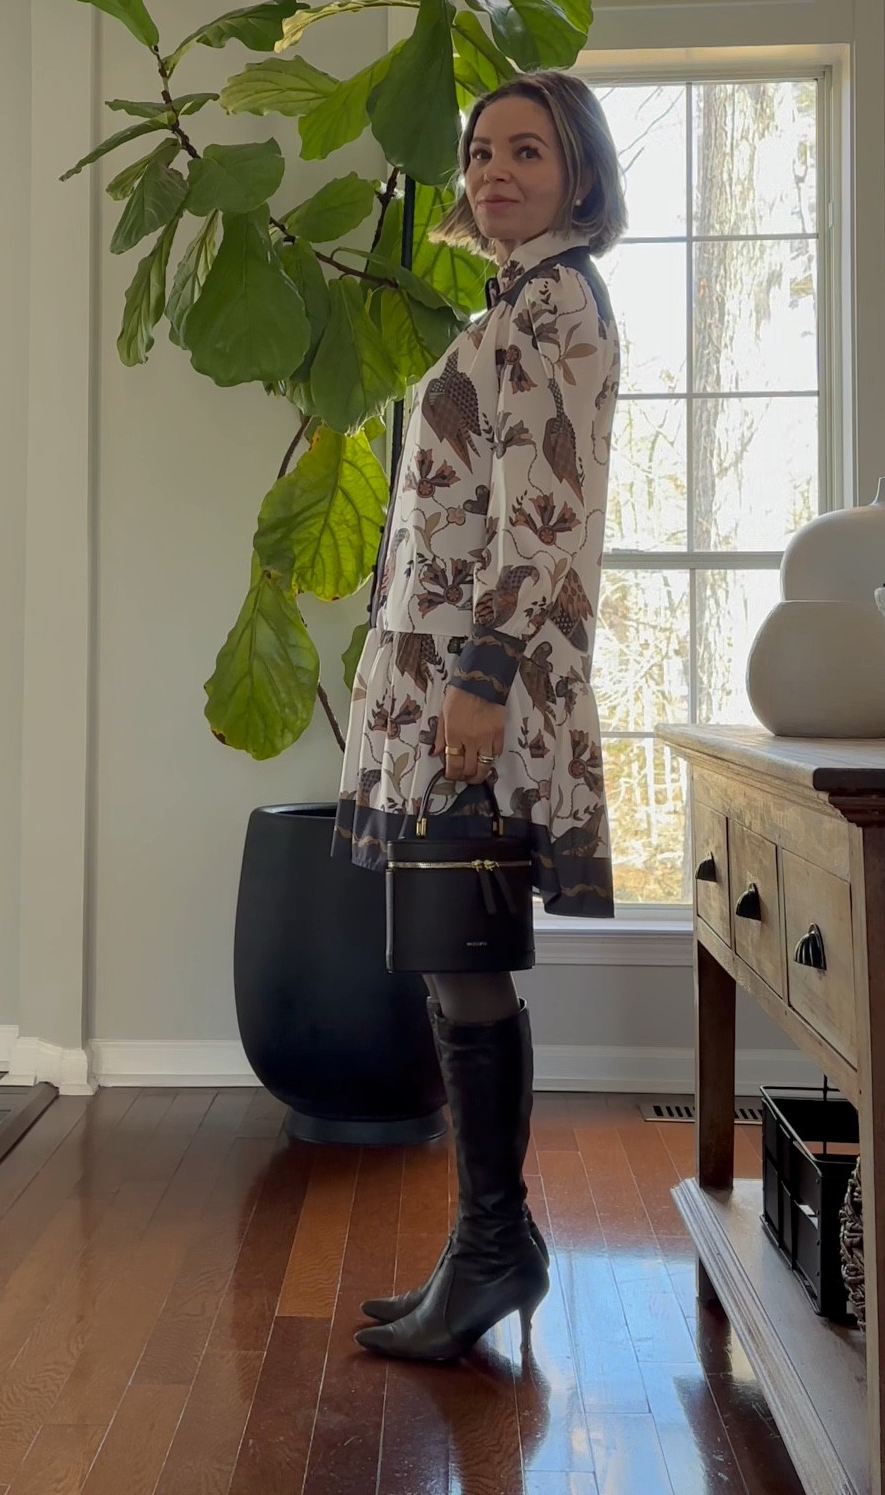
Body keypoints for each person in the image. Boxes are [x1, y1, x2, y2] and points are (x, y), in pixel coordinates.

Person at [334, 71, 626, 1364]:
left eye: (528, 150)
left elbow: (545, 509)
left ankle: (496, 1247)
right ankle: (487, 1245)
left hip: (480, 681)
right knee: (460, 951)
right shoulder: (514, 299)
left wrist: (487, 674)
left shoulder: (557, 299)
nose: (494, 171)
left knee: (464, 950)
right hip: (451, 668)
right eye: (479, 151)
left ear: (579, 173)